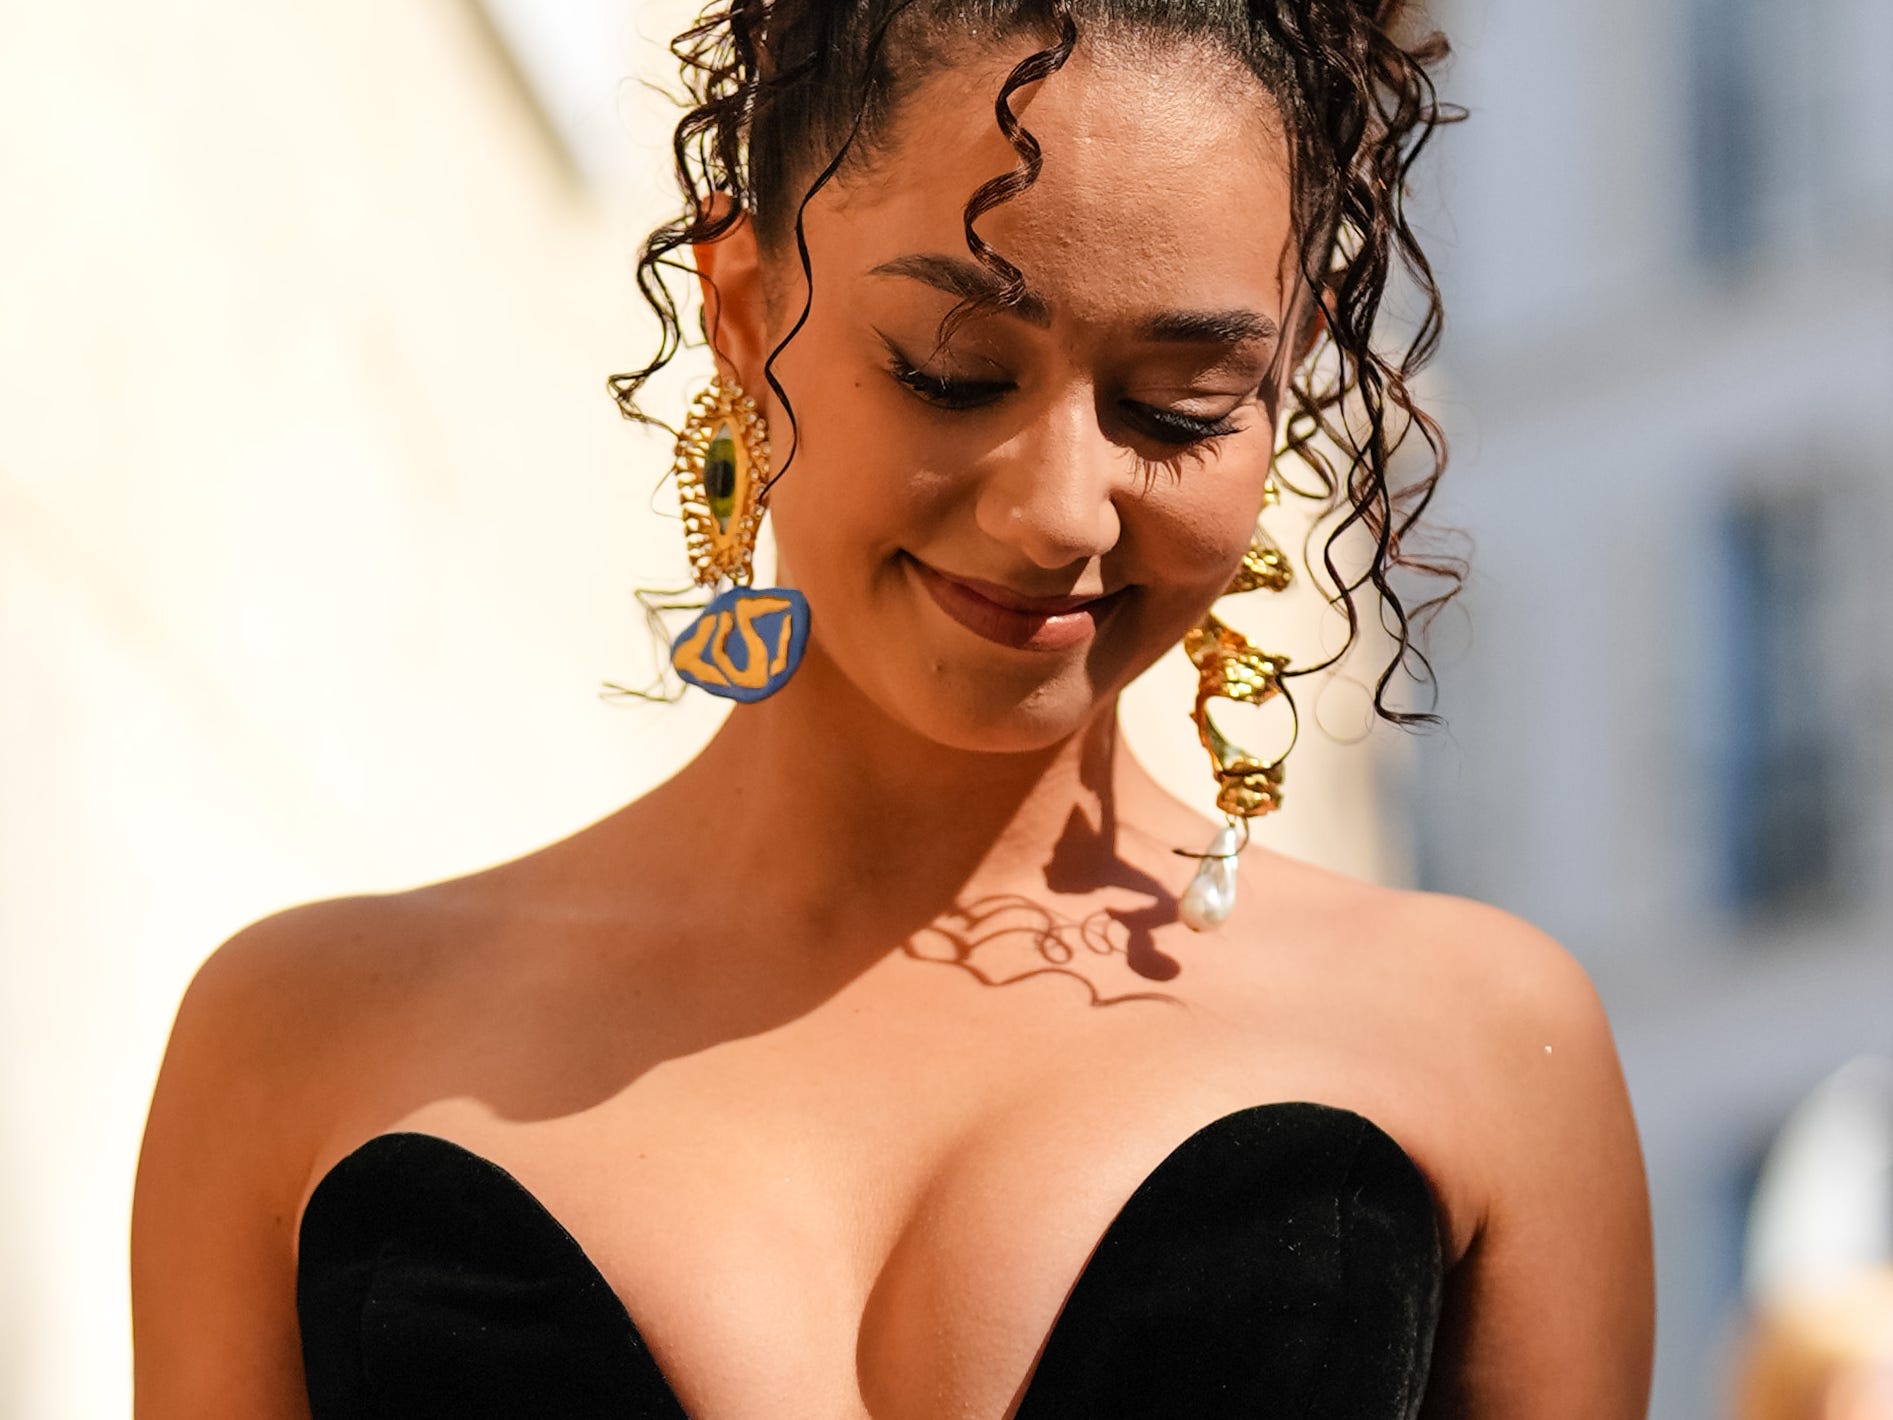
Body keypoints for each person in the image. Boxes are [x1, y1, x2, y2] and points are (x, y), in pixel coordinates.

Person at [130, 0, 1655, 1415]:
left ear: (1288, 375)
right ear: (743, 311)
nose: (1063, 511)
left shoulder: (1475, 1047)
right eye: (947, 372)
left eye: (1178, 406)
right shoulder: (305, 1042)